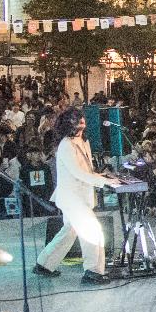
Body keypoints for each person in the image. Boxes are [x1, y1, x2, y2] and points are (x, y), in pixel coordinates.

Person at [33, 108, 112, 284]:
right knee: (93, 232)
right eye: (76, 118)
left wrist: (102, 177)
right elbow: (77, 172)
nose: (81, 120)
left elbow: (87, 171)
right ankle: (93, 271)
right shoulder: (66, 145)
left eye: (82, 117)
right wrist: (102, 182)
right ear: (68, 123)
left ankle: (44, 264)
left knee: (68, 232)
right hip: (72, 198)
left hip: (80, 197)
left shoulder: (84, 141)